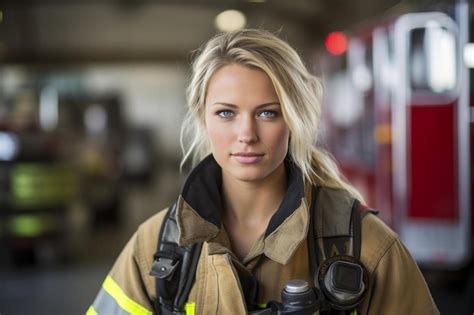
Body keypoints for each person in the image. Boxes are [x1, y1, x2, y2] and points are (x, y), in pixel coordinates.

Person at [87, 29, 439, 315]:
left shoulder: (366, 248)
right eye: (226, 113)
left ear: (294, 120)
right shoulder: (155, 247)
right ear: (202, 118)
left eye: (268, 113)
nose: (246, 135)